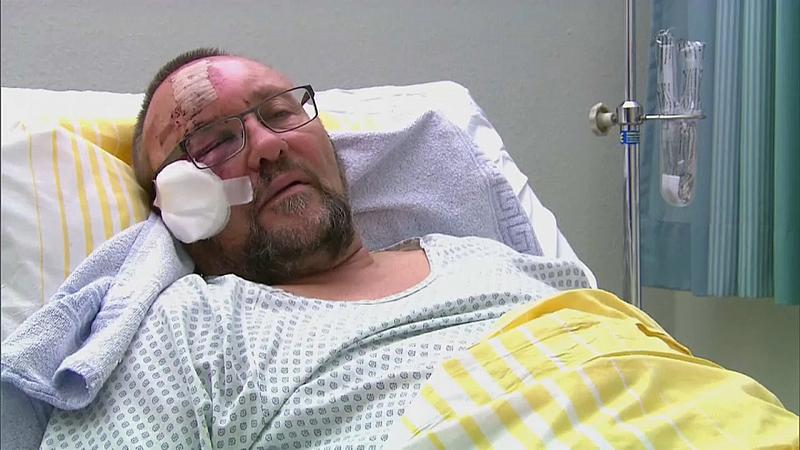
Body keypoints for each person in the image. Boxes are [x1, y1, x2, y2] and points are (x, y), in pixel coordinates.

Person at [33, 49, 798, 449]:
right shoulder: (191, 333)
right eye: (213, 140)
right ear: (177, 205)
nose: (267, 145)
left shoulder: (501, 262)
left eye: (279, 112)